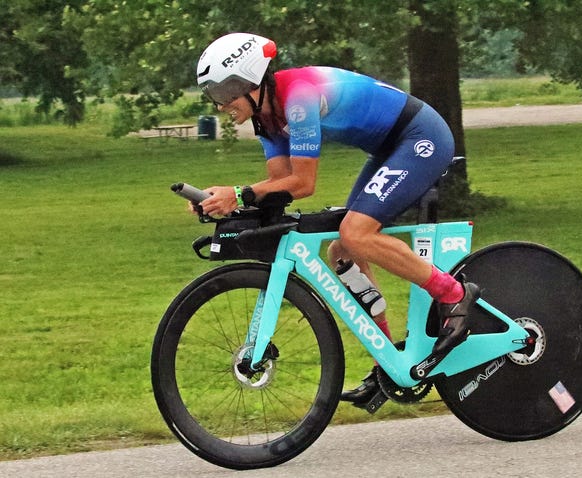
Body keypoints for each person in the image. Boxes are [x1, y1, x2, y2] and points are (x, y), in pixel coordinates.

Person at [195, 32, 480, 407]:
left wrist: (239, 191)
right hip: (389, 147)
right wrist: (225, 201)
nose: (220, 106)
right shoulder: (266, 119)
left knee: (356, 233)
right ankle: (390, 363)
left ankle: (455, 294)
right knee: (342, 251)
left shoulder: (298, 96)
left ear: (251, 81)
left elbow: (303, 183)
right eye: (213, 96)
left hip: (420, 137)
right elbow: (281, 184)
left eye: (224, 93)